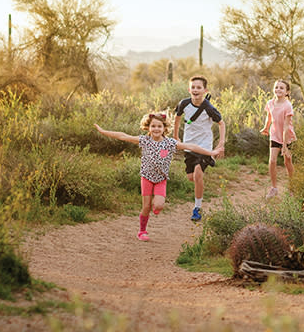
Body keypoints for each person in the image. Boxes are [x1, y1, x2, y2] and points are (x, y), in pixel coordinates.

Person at [95, 112, 219, 240]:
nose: (156, 129)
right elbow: (124, 136)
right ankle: (142, 231)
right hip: (146, 178)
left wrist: (210, 152)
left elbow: (190, 146)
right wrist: (104, 131)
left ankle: (156, 207)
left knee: (159, 205)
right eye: (153, 126)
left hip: (161, 179)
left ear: (164, 128)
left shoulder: (170, 143)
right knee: (146, 207)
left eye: (159, 126)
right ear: (148, 127)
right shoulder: (144, 140)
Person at [174, 75, 226, 222]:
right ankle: (200, 181)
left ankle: (197, 208)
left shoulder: (209, 108)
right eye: (193, 87)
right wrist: (176, 137)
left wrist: (221, 143)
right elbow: (177, 118)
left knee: (197, 174)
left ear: (205, 90)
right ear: (189, 89)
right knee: (191, 177)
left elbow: (221, 123)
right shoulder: (184, 103)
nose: (196, 90)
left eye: (199, 87)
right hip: (188, 144)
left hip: (204, 146)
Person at [260, 79, 297, 197]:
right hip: (274, 135)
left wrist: (285, 145)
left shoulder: (288, 106)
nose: (278, 90)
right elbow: (269, 117)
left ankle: (292, 187)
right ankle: (274, 188)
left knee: (287, 162)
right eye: (276, 87)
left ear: (287, 92)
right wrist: (266, 127)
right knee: (272, 161)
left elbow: (286, 126)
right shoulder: (270, 103)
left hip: (287, 137)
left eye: (281, 88)